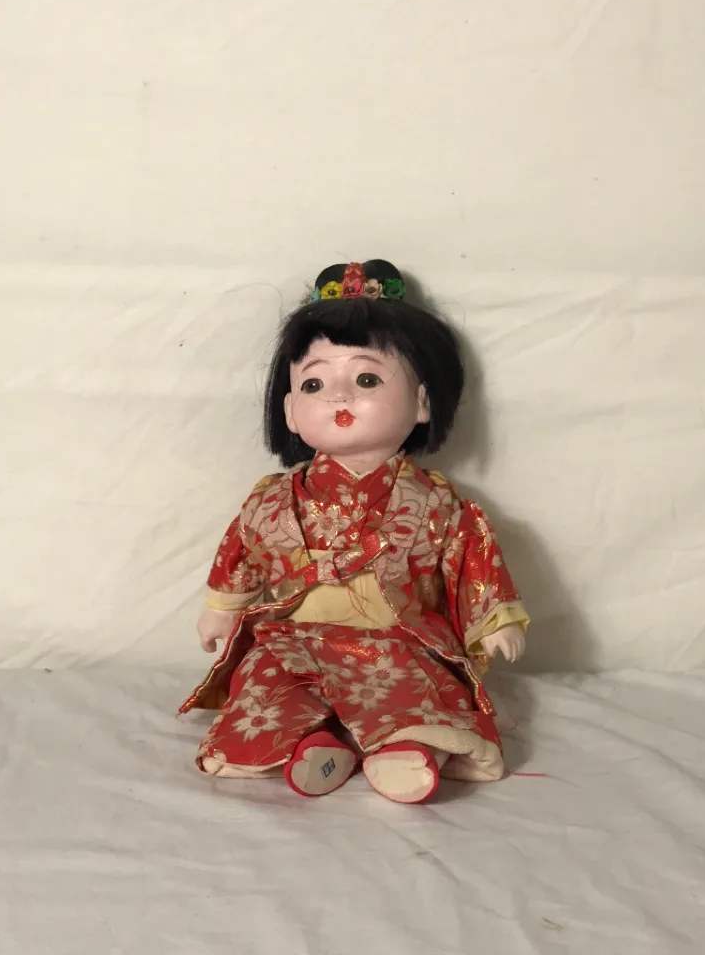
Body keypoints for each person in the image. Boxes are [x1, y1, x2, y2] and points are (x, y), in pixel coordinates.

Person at [180, 260, 529, 804]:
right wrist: (222, 610)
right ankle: (315, 744)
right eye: (314, 383)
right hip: (297, 636)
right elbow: (243, 553)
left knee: (418, 685)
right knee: (266, 678)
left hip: (398, 638)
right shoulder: (271, 500)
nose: (338, 396)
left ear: (422, 401)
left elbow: (471, 560)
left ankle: (406, 750)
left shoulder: (437, 504)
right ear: (290, 411)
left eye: (367, 379)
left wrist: (494, 622)